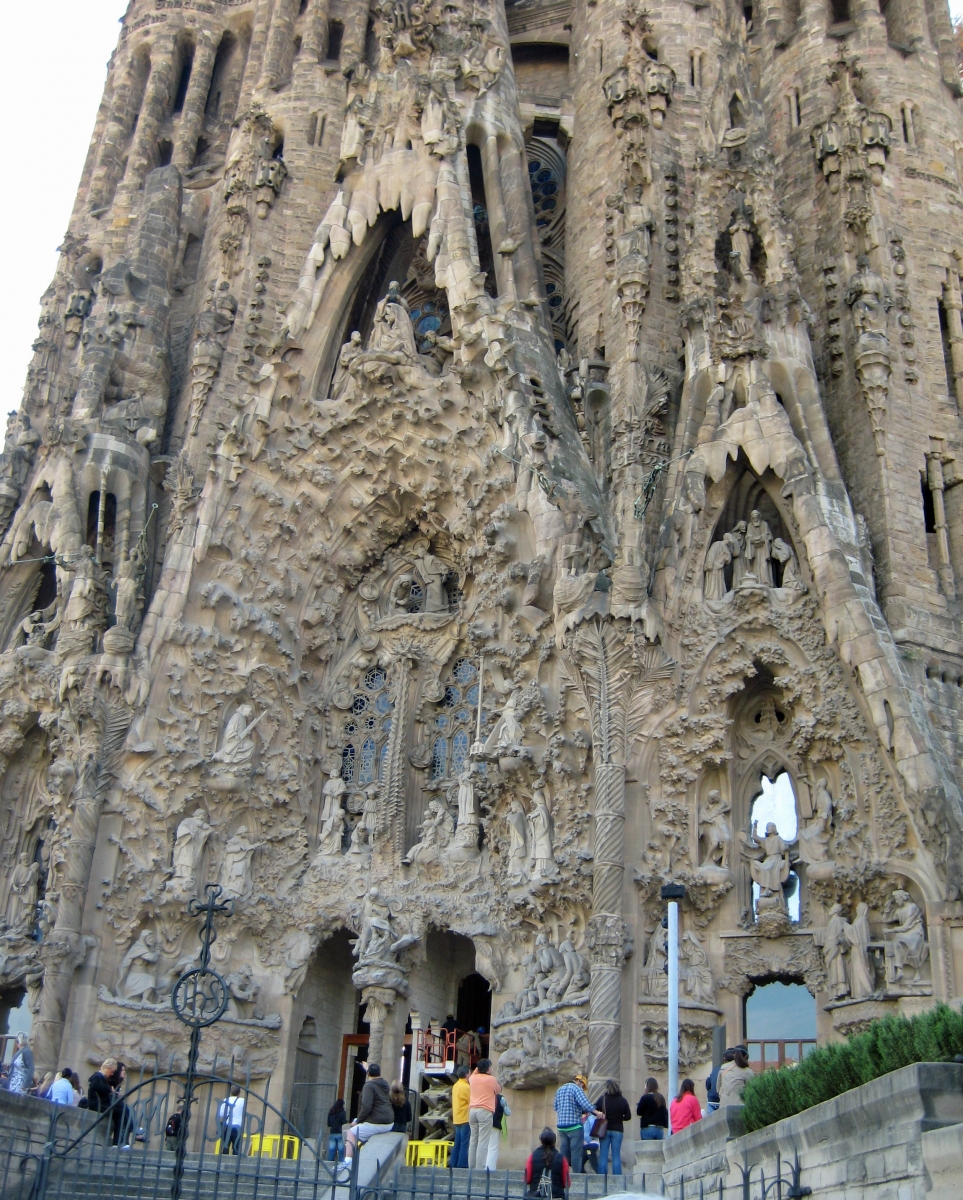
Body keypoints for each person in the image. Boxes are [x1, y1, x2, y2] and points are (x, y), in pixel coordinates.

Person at [336, 1062, 394, 1180]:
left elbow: (367, 1106)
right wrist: (367, 1068)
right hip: (389, 1122)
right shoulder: (384, 1084)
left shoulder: (369, 1086)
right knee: (364, 1133)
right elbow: (374, 1075)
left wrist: (357, 1121)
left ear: (368, 1075)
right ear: (380, 1073)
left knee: (351, 1133)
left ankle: (347, 1162)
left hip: (378, 1122)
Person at [553, 1073, 603, 1173]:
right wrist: (597, 1112)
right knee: (576, 1153)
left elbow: (555, 1107)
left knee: (564, 1152)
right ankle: (576, 1177)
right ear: (579, 1081)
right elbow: (585, 1104)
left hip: (561, 1127)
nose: (582, 1087)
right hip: (574, 1126)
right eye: (583, 1085)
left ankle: (562, 1175)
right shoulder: (576, 1089)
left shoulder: (559, 1090)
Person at [467, 1057, 501, 1169]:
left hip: (472, 1111)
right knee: (483, 1141)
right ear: (488, 1069)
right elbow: (498, 1090)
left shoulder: (473, 1078)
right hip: (485, 1110)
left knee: (473, 1140)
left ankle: (471, 1166)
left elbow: (475, 1071)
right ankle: (480, 1167)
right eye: (491, 1067)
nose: (492, 1068)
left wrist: (479, 1067)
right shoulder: (492, 1080)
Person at [596, 1079, 631, 1175]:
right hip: (618, 1129)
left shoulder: (602, 1099)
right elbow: (628, 1116)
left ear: (607, 1088)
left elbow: (593, 1109)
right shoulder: (622, 1100)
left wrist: (601, 1114)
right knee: (616, 1155)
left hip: (604, 1129)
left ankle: (602, 1177)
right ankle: (617, 1178)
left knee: (603, 1154)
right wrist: (619, 1119)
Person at [524, 1127, 571, 1199]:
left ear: (541, 1141)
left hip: (536, 1195)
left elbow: (527, 1179)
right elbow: (567, 1182)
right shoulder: (562, 1158)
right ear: (554, 1141)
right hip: (556, 1196)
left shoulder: (532, 1156)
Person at [450, 1065, 470, 1169]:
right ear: (467, 1074)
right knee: (464, 1143)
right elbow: (471, 1101)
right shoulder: (466, 1087)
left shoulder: (456, 1085)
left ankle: (453, 1163)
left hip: (457, 1117)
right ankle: (462, 1164)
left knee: (457, 1142)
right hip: (465, 1117)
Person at [218, 1084, 245, 1154]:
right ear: (239, 1093)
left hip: (227, 1126)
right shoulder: (242, 1101)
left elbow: (221, 1114)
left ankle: (223, 1161)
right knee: (236, 1148)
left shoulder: (226, 1100)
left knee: (225, 1146)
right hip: (237, 1126)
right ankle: (235, 1163)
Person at [706, 1049, 735, 1114]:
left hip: (712, 1099)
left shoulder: (715, 1069)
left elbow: (708, 1084)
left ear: (724, 1059)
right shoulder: (735, 1070)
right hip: (724, 1100)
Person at [488, 1092, 506, 1170]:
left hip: (484, 1124)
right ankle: (490, 1168)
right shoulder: (501, 1098)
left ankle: (481, 1167)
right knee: (493, 1148)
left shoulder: (486, 1095)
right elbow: (507, 1112)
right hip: (495, 1124)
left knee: (484, 1147)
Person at [327, 1097, 347, 1161]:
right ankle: (341, 1164)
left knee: (331, 1150)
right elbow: (344, 1122)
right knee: (341, 1151)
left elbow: (328, 1124)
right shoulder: (342, 1112)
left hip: (332, 1132)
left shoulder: (331, 1112)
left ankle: (329, 1163)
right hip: (339, 1132)